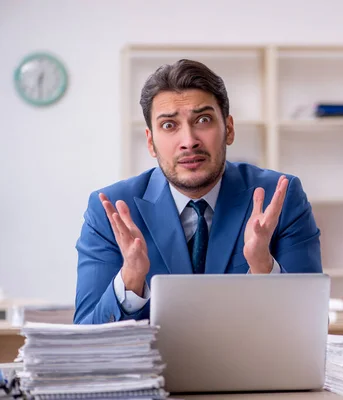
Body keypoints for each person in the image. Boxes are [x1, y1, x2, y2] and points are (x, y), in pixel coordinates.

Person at [73, 59, 322, 324]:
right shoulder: (110, 209)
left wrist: (264, 267)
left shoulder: (279, 197)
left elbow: (313, 326)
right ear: (151, 142)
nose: (189, 141)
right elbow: (86, 335)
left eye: (203, 120)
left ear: (229, 129)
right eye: (169, 125)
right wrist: (131, 279)